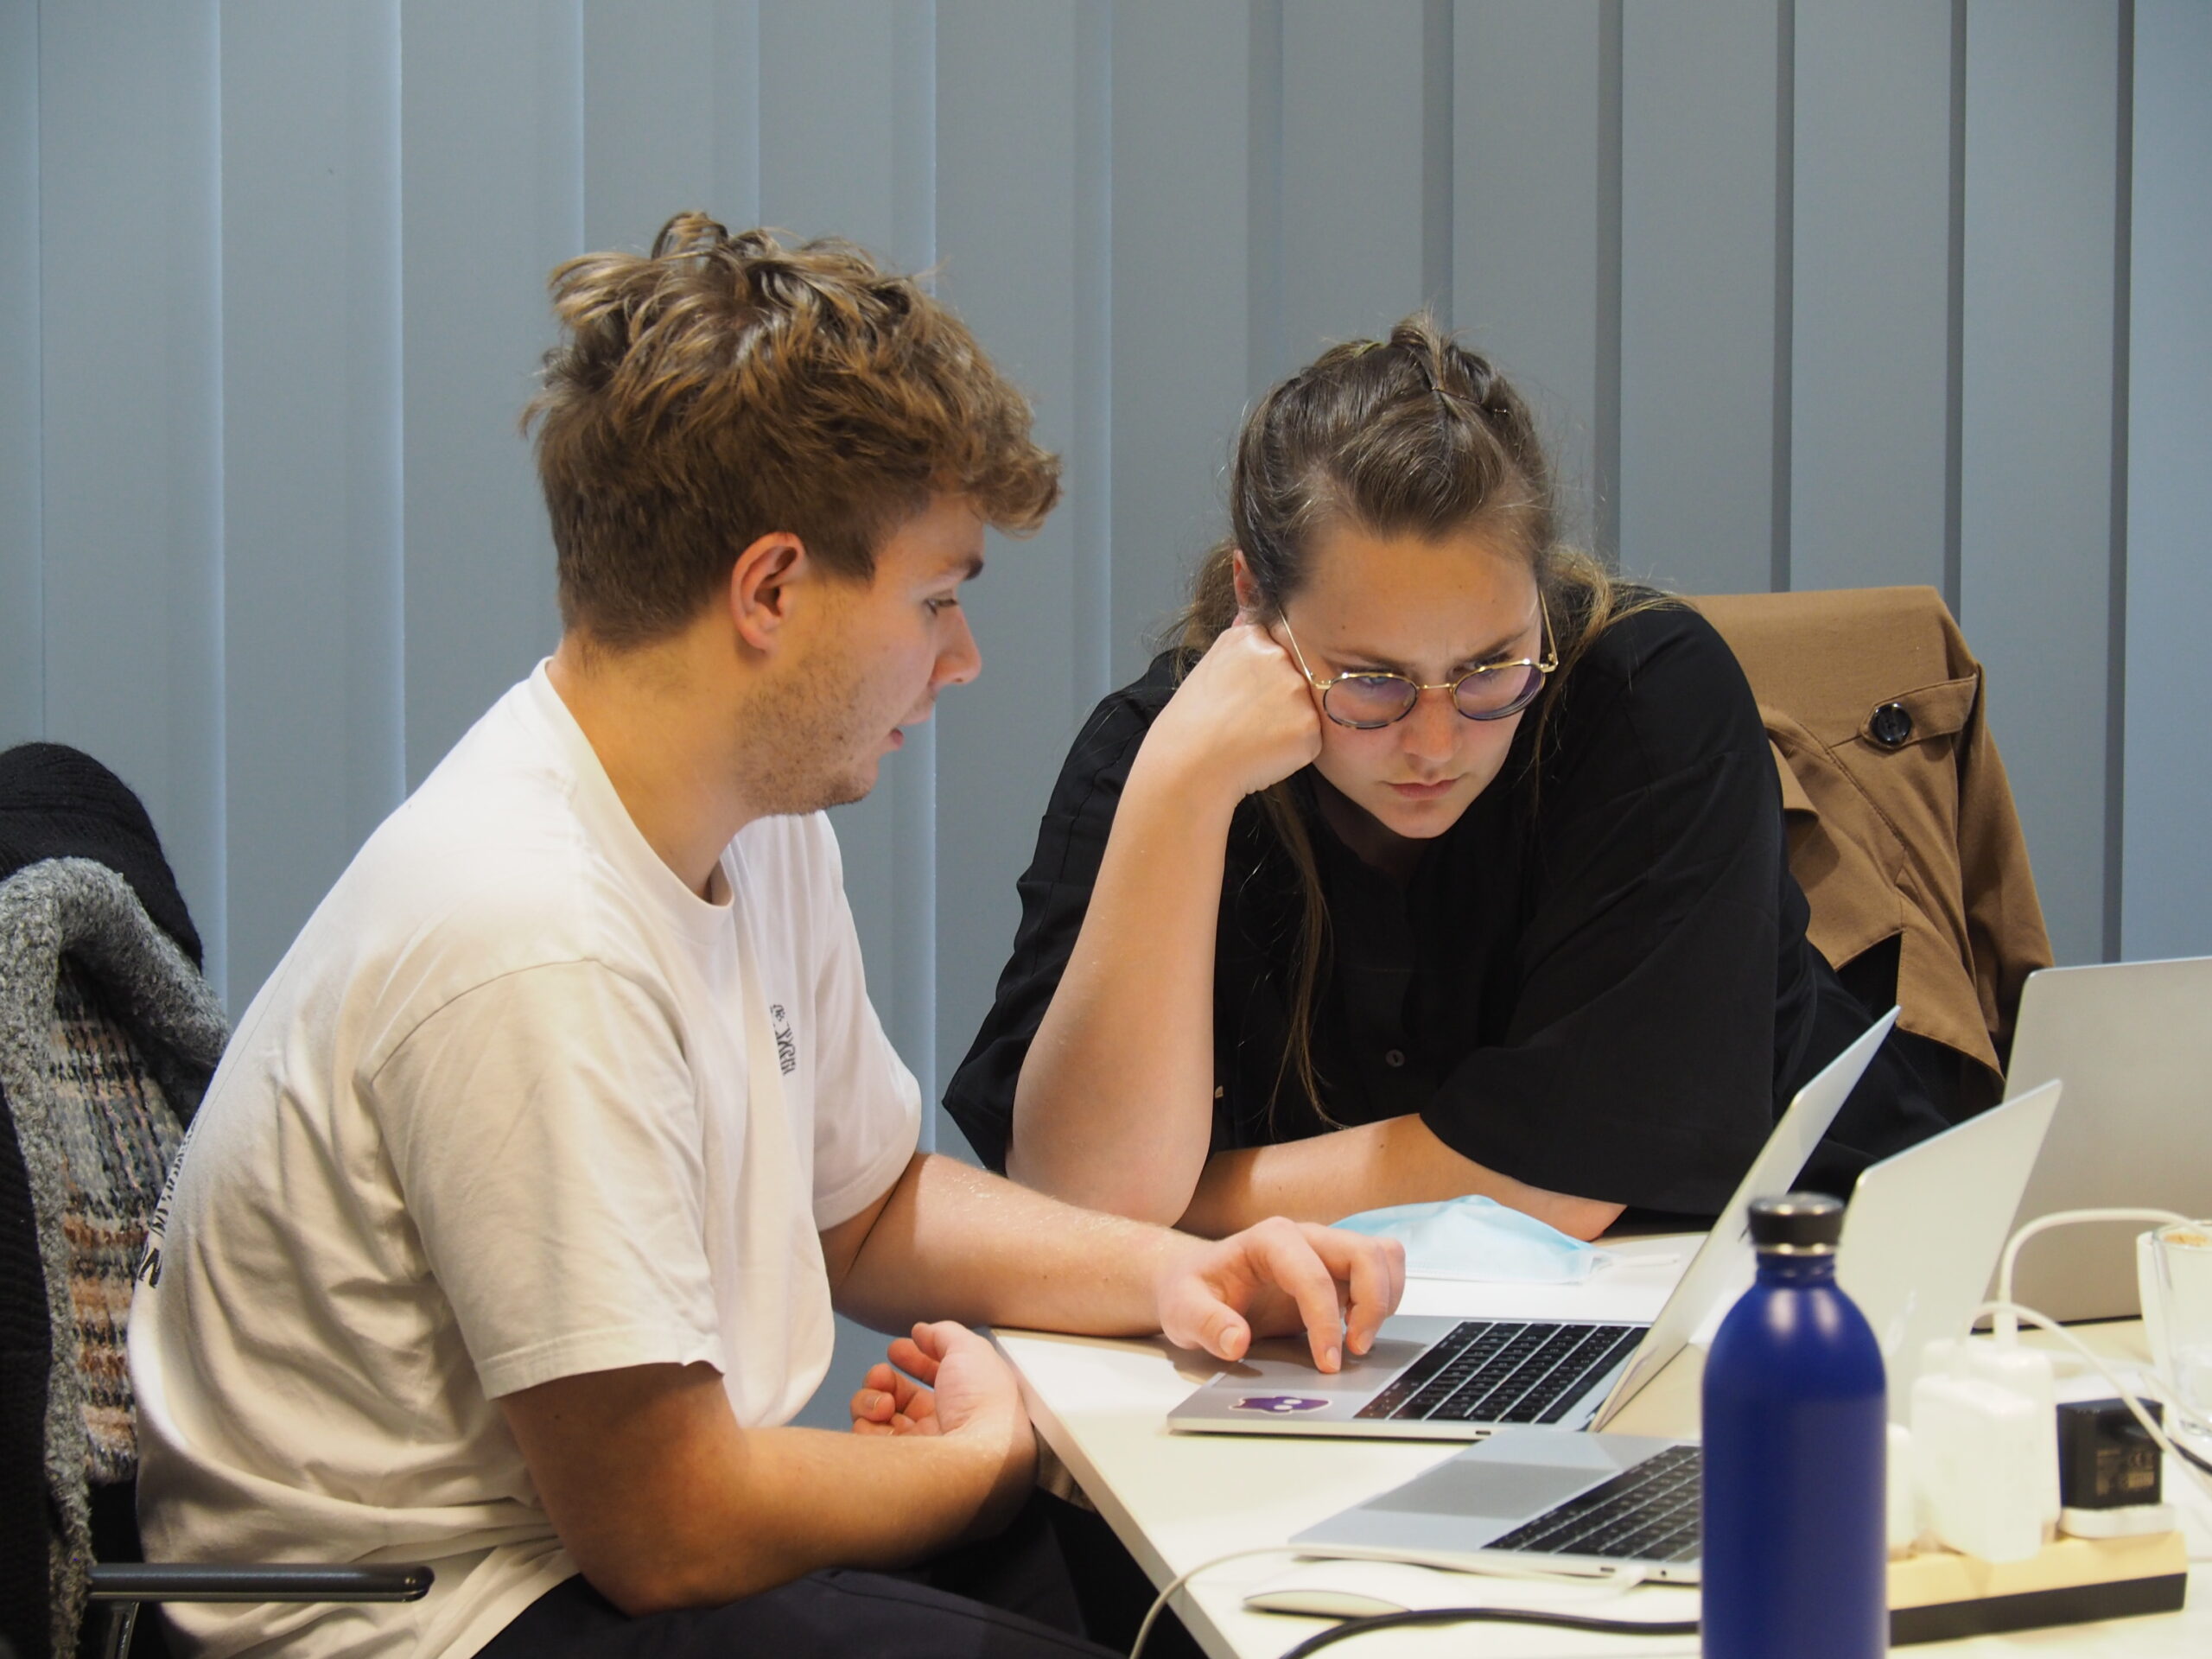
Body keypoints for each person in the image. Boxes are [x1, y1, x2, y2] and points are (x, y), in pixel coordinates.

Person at [127, 215, 1403, 1659]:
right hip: (418, 1620)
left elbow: (855, 1211)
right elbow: (671, 1525)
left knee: (1164, 1594)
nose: (964, 659)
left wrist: (1172, 1274)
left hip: (584, 1552)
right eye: (936, 601)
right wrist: (973, 1460)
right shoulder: (530, 930)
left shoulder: (754, 817)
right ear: (773, 591)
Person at [944, 315, 1960, 1241]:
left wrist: (1170, 1212)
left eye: (1489, 669)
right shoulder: (1151, 754)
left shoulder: (1648, 700)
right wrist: (1182, 792)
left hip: (1825, 1278)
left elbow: (1560, 1180)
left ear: (1543, 591)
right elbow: (1074, 1196)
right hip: (1342, 1345)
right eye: (1371, 681)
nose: (1436, 742)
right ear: (1255, 603)